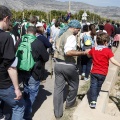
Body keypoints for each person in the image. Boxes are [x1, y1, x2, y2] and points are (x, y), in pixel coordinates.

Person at [53, 20, 88, 119]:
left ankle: (58, 113)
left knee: (58, 89)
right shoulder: (71, 36)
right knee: (74, 84)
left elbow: (55, 47)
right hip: (68, 65)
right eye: (78, 29)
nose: (78, 32)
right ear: (74, 28)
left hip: (58, 64)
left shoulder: (60, 34)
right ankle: (70, 103)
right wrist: (83, 53)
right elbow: (68, 52)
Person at [18, 26, 49, 120]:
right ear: (35, 33)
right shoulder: (37, 42)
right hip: (34, 72)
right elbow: (46, 58)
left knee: (26, 89)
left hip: (21, 70)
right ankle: (25, 116)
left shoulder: (20, 40)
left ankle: (22, 108)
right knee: (32, 94)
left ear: (26, 32)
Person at [0, 5, 25, 120]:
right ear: (5, 18)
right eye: (9, 20)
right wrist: (16, 88)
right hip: (3, 83)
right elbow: (10, 66)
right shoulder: (6, 37)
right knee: (19, 106)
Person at [87, 32, 120, 109]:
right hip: (103, 73)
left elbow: (88, 55)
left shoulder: (93, 49)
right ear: (105, 43)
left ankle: (93, 101)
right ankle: (96, 94)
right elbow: (113, 60)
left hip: (94, 72)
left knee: (93, 86)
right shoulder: (108, 51)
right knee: (99, 85)